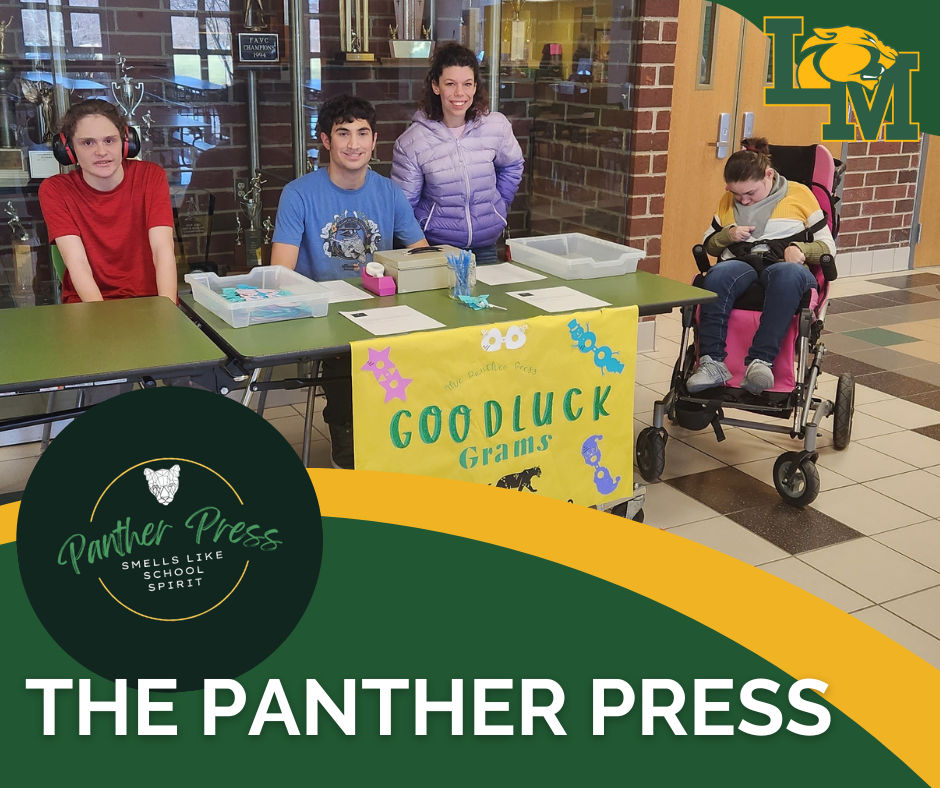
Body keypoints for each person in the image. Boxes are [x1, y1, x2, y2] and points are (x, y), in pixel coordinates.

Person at [271, 95, 427, 469]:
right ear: (325, 140)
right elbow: (280, 274)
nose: (354, 144)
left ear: (375, 141)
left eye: (363, 133)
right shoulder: (298, 194)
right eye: (343, 133)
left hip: (384, 311)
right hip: (325, 317)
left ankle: (412, 438)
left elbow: (421, 255)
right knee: (347, 357)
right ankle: (346, 436)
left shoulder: (389, 192)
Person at [686, 137, 835, 396]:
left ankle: (761, 363)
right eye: (736, 194)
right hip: (740, 263)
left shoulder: (800, 194)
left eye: (750, 193)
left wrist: (801, 250)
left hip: (783, 265)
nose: (743, 201)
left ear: (768, 175)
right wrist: (727, 236)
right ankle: (711, 363)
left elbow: (827, 247)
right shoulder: (727, 202)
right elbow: (709, 246)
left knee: (787, 275)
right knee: (717, 274)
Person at [391, 42, 524, 265]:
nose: (459, 93)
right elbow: (404, 206)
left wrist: (497, 205)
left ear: (474, 87)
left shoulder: (496, 126)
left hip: (485, 246)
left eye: (467, 84)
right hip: (438, 250)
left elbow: (513, 165)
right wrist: (423, 246)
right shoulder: (412, 142)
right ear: (436, 86)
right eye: (450, 84)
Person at [39, 99, 177, 304]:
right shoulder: (55, 190)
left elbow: (163, 250)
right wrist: (103, 319)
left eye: (109, 141)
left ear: (125, 142)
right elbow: (77, 264)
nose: (101, 152)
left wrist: (167, 311)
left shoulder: (151, 176)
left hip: (149, 301)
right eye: (88, 142)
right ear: (68, 149)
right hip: (89, 305)